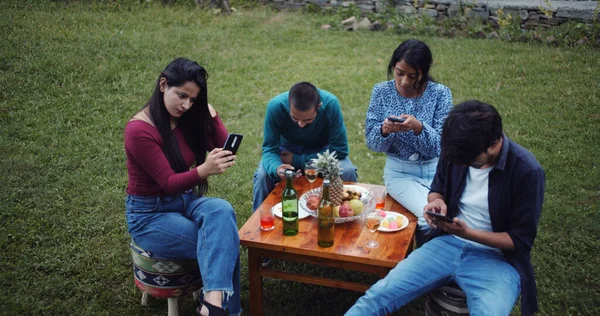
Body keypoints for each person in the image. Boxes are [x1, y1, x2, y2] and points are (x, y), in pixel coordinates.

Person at [347, 100, 545, 316]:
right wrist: (435, 201)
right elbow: (437, 188)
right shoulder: (456, 150)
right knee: (378, 296)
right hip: (446, 245)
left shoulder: (527, 171)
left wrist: (467, 233)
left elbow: (520, 241)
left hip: (497, 260)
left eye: (469, 162)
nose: (461, 165)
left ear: (495, 144)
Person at [124, 58, 241, 316]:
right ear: (163, 85)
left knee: (221, 211)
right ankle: (223, 310)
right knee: (222, 240)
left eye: (192, 100)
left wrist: (211, 114)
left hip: (186, 201)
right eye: (182, 96)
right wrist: (202, 171)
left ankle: (212, 305)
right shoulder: (139, 130)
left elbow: (224, 148)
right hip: (150, 215)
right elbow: (167, 182)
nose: (186, 105)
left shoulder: (186, 116)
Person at [365, 39, 453, 245]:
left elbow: (440, 147)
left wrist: (419, 128)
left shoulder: (440, 94)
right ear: (393, 67)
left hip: (437, 172)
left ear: (424, 71)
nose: (404, 81)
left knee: (453, 214)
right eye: (399, 73)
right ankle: (424, 265)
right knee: (431, 216)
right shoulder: (381, 91)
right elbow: (372, 143)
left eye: (413, 76)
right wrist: (385, 130)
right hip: (400, 173)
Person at [252, 81, 358, 211]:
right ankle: (258, 218)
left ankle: (346, 211)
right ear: (289, 104)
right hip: (286, 150)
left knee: (347, 170)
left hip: (322, 151)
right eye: (295, 118)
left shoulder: (330, 104)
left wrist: (297, 160)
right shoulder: (276, 106)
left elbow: (340, 150)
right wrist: (276, 168)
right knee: (263, 175)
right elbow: (269, 149)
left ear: (319, 106)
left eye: (308, 120)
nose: (301, 124)